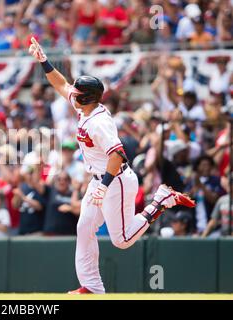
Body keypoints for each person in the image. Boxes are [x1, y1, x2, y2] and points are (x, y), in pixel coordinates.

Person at [28, 37, 196, 294]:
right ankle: (92, 287)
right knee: (84, 228)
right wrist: (43, 60)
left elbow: (118, 153)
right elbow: (60, 84)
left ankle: (161, 200)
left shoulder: (98, 122)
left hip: (115, 179)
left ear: (86, 97)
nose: (72, 92)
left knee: (122, 240)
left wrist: (104, 187)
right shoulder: (86, 106)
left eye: (77, 91)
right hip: (101, 179)